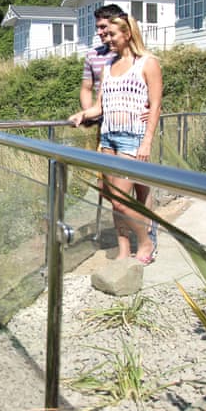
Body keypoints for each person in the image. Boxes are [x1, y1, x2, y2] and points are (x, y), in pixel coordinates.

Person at [69, 13, 162, 264]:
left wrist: (147, 142)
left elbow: (155, 106)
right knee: (113, 200)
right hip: (108, 138)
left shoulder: (148, 63)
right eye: (106, 34)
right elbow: (100, 106)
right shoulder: (108, 66)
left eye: (112, 34)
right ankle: (123, 250)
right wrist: (83, 114)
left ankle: (145, 240)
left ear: (127, 34)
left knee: (122, 202)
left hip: (133, 139)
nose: (107, 38)